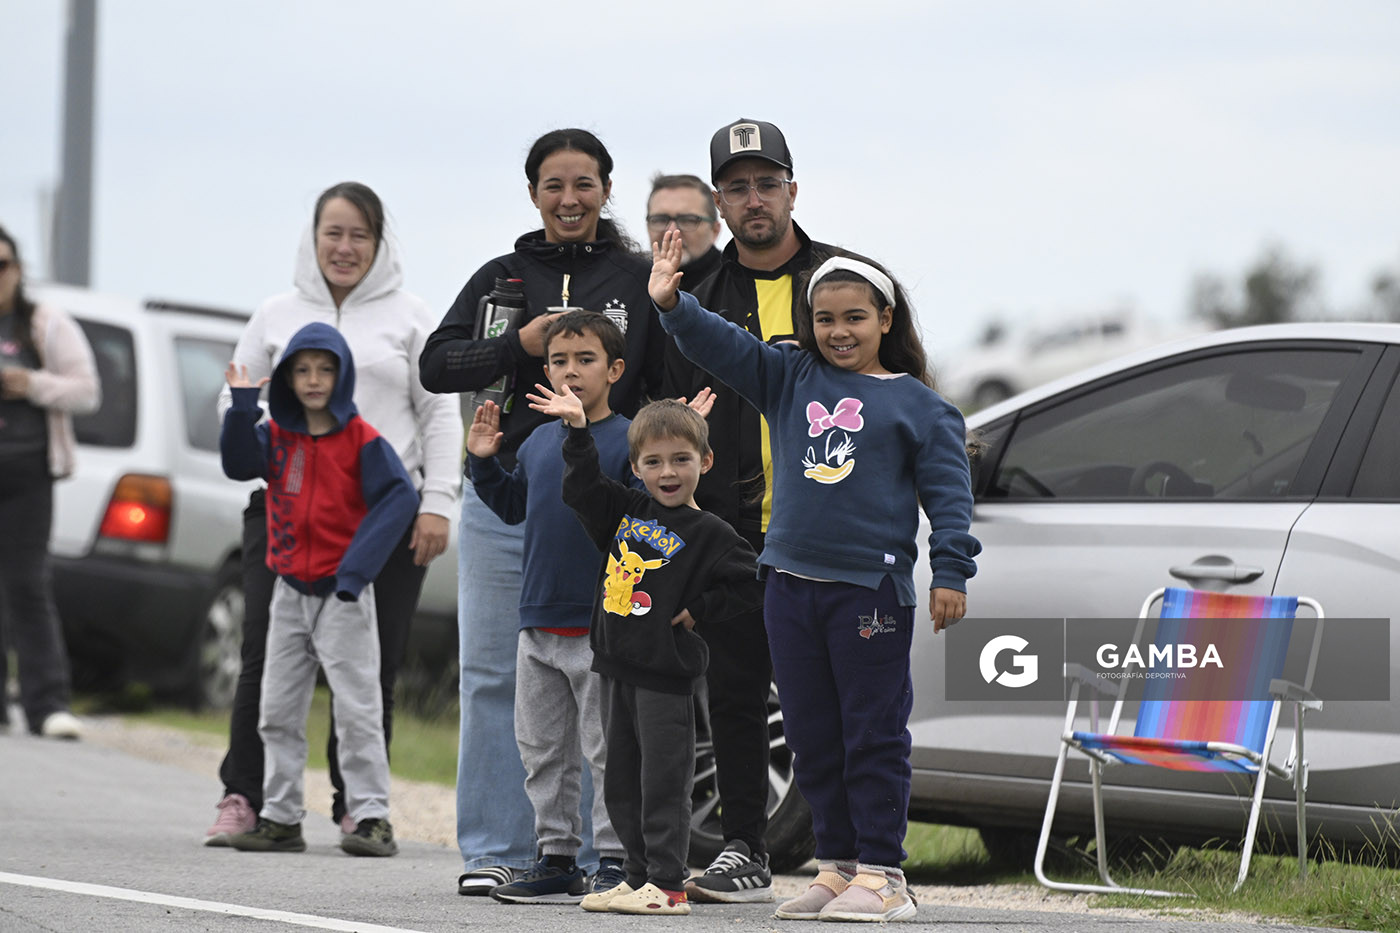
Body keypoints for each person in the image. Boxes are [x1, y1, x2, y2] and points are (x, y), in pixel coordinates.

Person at [651, 232, 981, 922]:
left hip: (870, 591)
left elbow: (951, 500)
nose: (838, 331)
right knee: (809, 733)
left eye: (855, 318)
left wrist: (950, 571)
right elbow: (722, 347)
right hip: (788, 584)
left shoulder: (923, 407)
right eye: (824, 318)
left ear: (885, 320)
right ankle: (836, 867)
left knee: (872, 731)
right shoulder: (789, 376)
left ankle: (883, 873)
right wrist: (673, 303)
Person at [419, 128, 664, 895]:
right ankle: (498, 846)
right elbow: (435, 363)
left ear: (606, 190)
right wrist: (515, 347)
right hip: (510, 495)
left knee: (601, 682)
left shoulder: (633, 276)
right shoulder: (502, 276)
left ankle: (599, 857)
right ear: (532, 193)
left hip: (607, 506)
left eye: (584, 184)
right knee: (497, 674)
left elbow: (659, 375)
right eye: (553, 185)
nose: (569, 199)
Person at [206, 182, 462, 845]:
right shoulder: (275, 312)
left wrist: (437, 502)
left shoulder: (410, 315)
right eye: (333, 233)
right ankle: (252, 798)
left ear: (379, 244)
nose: (344, 247)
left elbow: (438, 412)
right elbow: (237, 397)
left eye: (359, 235)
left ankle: (360, 808)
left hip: (381, 515)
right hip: (286, 511)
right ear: (312, 237)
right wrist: (245, 419)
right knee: (264, 661)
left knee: (370, 668)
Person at [660, 118, 841, 904]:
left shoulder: (843, 283)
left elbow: (901, 391)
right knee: (735, 696)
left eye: (767, 183)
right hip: (729, 534)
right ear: (717, 203)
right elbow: (664, 430)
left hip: (823, 529)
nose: (754, 199)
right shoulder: (694, 300)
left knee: (828, 698)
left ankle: (854, 856)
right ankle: (744, 849)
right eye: (736, 188)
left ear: (793, 189)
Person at [528, 387, 762, 917]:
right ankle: (636, 880)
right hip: (614, 670)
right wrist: (578, 432)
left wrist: (701, 607)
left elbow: (753, 583)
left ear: (705, 461)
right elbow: (582, 489)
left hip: (665, 678)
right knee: (621, 782)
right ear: (636, 467)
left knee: (662, 784)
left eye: (681, 459)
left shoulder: (713, 533)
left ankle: (668, 884)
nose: (668, 472)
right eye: (653, 462)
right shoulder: (627, 510)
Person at [221, 323, 418, 856]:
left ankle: (372, 817)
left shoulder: (362, 441)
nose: (313, 379)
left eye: (324, 369)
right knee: (276, 711)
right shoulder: (275, 437)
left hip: (343, 595)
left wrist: (356, 572)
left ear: (342, 375)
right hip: (289, 590)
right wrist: (243, 408)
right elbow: (239, 465)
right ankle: (281, 817)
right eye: (302, 370)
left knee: (357, 710)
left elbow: (400, 498)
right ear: (287, 378)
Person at [464, 311, 632, 904]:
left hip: (599, 625)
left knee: (606, 749)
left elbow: (635, 518)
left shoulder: (628, 439)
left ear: (614, 370)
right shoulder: (537, 440)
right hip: (536, 624)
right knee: (542, 751)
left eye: (585, 360)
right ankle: (557, 856)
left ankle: (613, 859)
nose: (570, 371)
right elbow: (513, 507)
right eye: (559, 361)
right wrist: (483, 462)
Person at [0, 226, 100, 740]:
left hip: (28, 471)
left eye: (3, 265)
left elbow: (88, 391)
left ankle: (46, 703)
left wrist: (31, 384)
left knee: (26, 583)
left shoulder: (45, 324)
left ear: (18, 270)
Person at [645, 173, 723, 287]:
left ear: (714, 231)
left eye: (687, 220)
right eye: (660, 220)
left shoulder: (735, 284)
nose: (671, 231)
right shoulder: (629, 283)